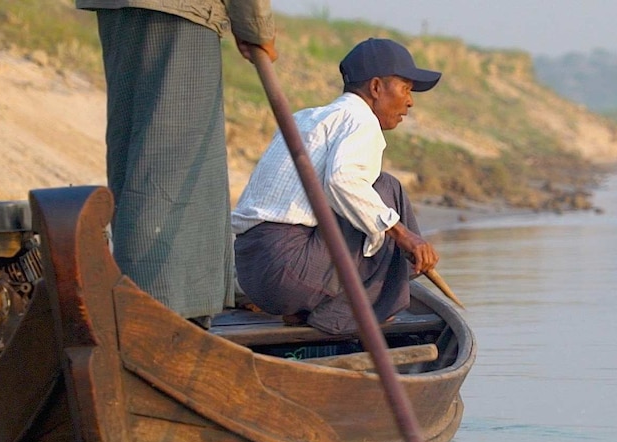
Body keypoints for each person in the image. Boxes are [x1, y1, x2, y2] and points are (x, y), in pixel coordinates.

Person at [75, 0, 278, 328]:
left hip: (117, 9)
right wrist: (256, 28)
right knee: (176, 160)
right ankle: (161, 306)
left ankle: (140, 298)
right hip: (179, 10)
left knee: (135, 149)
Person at [231, 38, 442, 335]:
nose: (410, 101)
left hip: (252, 272)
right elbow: (342, 180)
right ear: (376, 87)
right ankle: (356, 310)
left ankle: (305, 309)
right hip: (289, 270)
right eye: (406, 88)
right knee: (386, 189)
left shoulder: (306, 117)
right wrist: (404, 234)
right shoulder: (360, 120)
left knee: (372, 195)